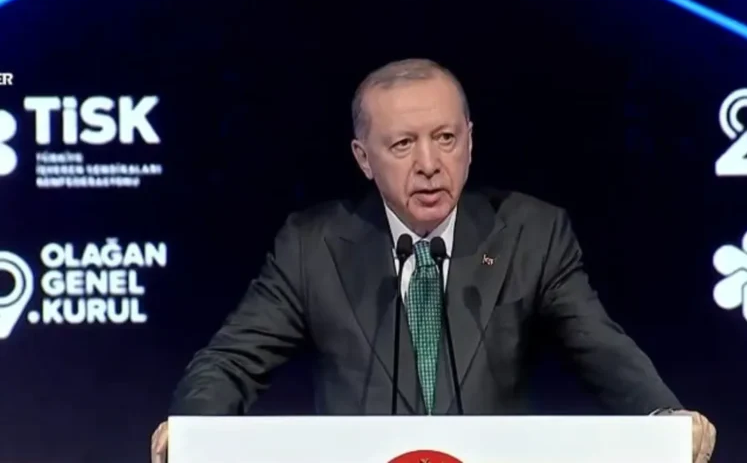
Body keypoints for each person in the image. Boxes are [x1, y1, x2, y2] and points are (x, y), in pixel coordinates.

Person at [151, 58, 716, 462]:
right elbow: (232, 361)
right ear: (363, 158)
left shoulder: (530, 234)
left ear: (470, 141)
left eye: (445, 138)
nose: (428, 163)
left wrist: (663, 419)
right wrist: (195, 431)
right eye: (403, 145)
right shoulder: (312, 246)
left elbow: (601, 347)